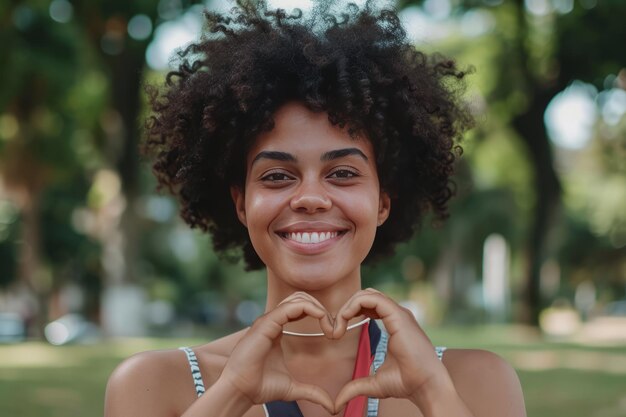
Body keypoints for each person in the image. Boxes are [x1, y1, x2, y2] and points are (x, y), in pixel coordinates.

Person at [104, 1, 526, 416]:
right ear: (241, 204)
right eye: (276, 176)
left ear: (382, 203)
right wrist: (230, 393)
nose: (310, 197)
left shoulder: (475, 382)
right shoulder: (154, 384)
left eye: (342, 173)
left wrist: (435, 394)